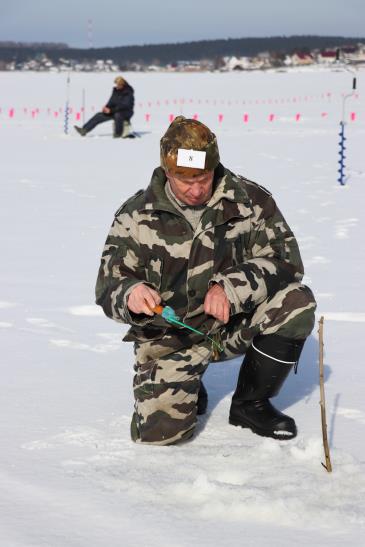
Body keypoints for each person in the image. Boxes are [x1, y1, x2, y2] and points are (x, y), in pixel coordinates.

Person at [95, 116, 317, 446]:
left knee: (297, 301)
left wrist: (231, 286)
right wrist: (130, 293)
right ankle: (187, 382)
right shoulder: (135, 216)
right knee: (161, 437)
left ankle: (250, 404)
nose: (197, 189)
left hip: (231, 325)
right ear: (167, 172)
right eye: (185, 180)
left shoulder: (249, 200)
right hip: (171, 336)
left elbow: (287, 263)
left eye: (204, 177)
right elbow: (107, 286)